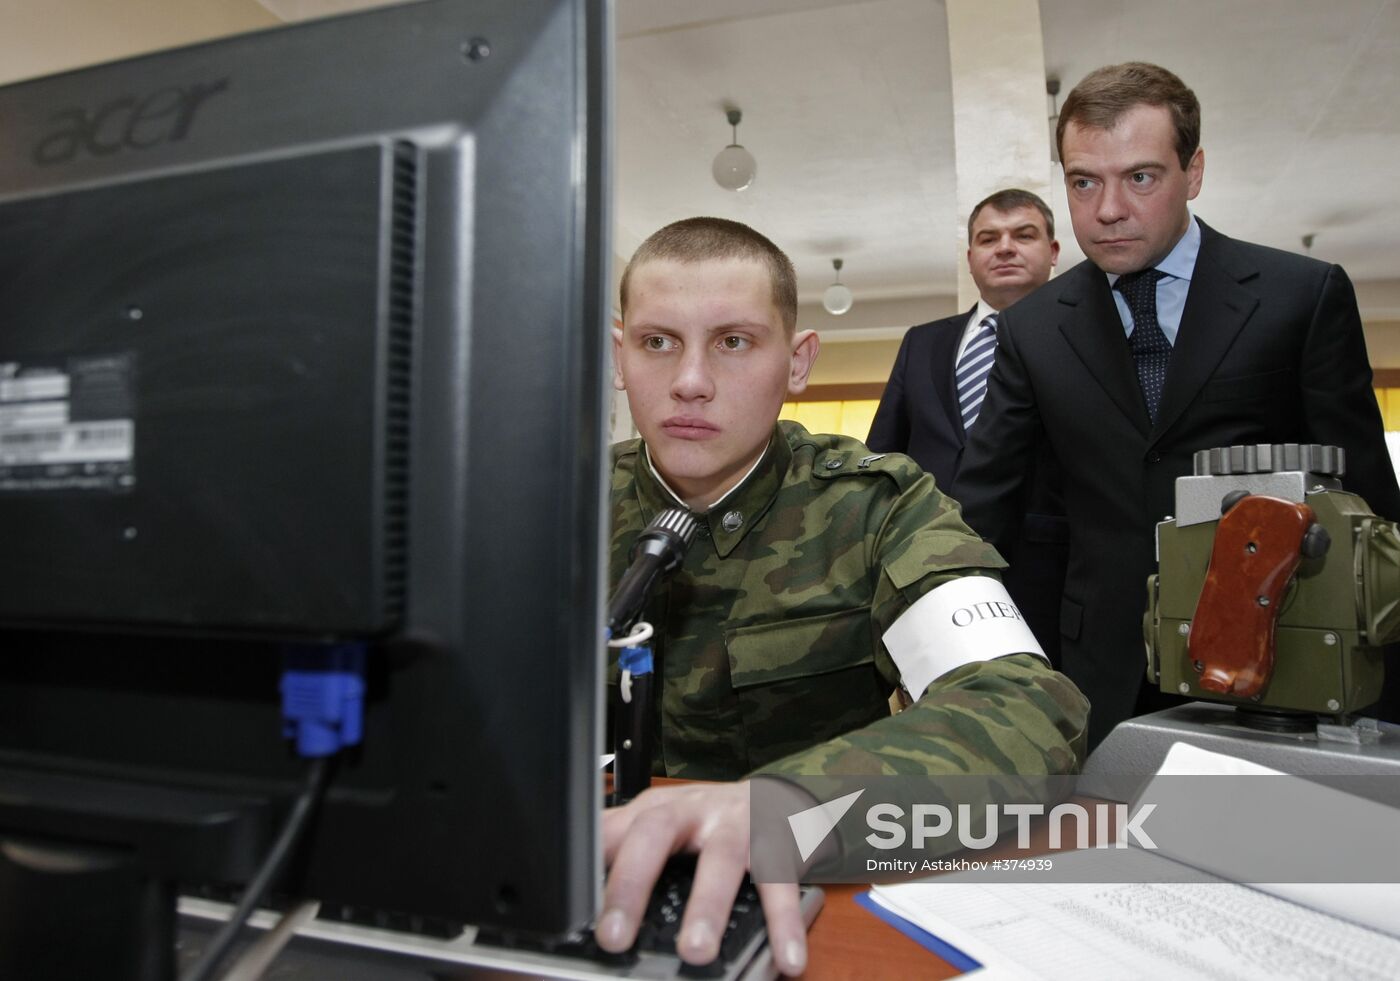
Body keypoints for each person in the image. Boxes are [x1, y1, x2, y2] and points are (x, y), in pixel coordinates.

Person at [598, 217, 1089, 975]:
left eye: (733, 341)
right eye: (658, 342)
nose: (690, 380)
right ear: (620, 356)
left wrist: (794, 805)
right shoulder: (551, 504)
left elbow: (1025, 706)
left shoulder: (877, 506)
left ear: (796, 363)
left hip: (814, 901)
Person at [953, 62, 1400, 751]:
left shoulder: (1297, 296)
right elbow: (984, 509)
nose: (1106, 210)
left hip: (1282, 660)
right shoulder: (1030, 330)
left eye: (1140, 177)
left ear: (1193, 172)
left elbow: (1370, 504)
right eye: (1083, 182)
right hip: (1099, 675)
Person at [867, 188, 1067, 664]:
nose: (1004, 247)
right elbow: (883, 453)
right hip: (927, 563)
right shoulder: (923, 342)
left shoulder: (1081, 341)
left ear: (1053, 252)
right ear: (971, 257)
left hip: (1044, 572)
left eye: (1024, 234)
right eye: (988, 238)